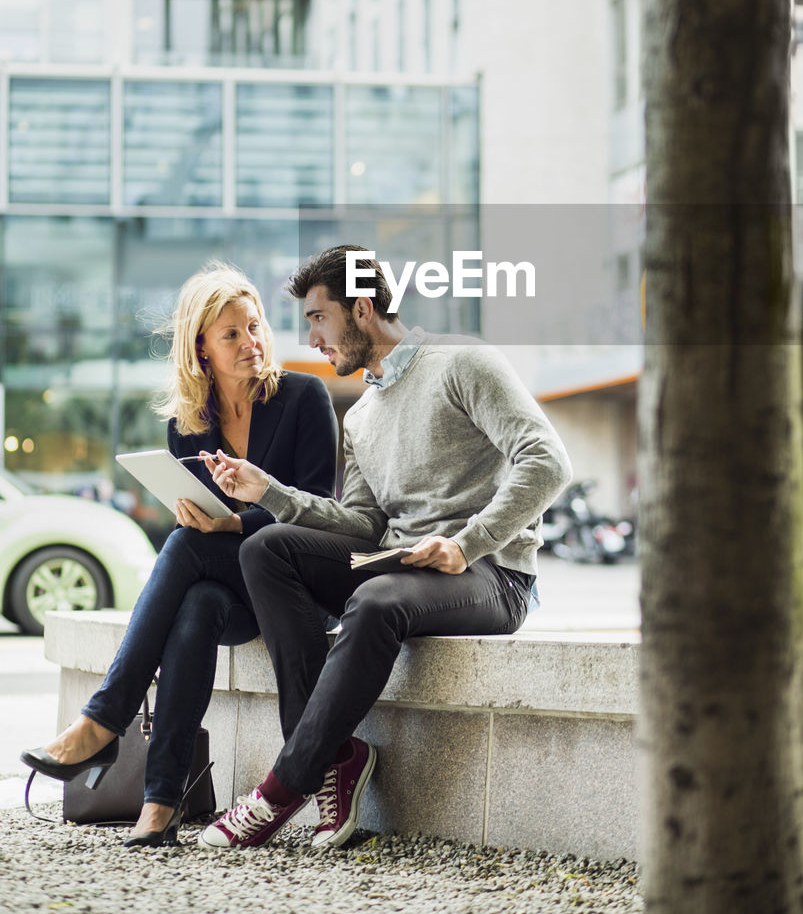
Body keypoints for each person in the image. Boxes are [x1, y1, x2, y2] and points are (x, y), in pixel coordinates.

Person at [195, 244, 572, 851]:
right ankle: (332, 759)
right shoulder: (363, 413)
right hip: (400, 563)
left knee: (373, 601)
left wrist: (468, 542)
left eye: (319, 318)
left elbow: (547, 460)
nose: (313, 338)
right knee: (265, 549)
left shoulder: (461, 362)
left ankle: (282, 789)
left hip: (491, 575)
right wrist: (270, 493)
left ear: (362, 308)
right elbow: (366, 524)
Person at [21, 261, 338, 848]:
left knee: (191, 543)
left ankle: (103, 720)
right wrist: (202, 517)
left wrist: (232, 521)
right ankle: (161, 802)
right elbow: (200, 522)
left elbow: (320, 508)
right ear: (201, 349)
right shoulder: (187, 427)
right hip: (230, 588)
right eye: (232, 334)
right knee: (196, 605)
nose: (251, 343)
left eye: (255, 326)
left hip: (297, 580)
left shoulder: (302, 397)